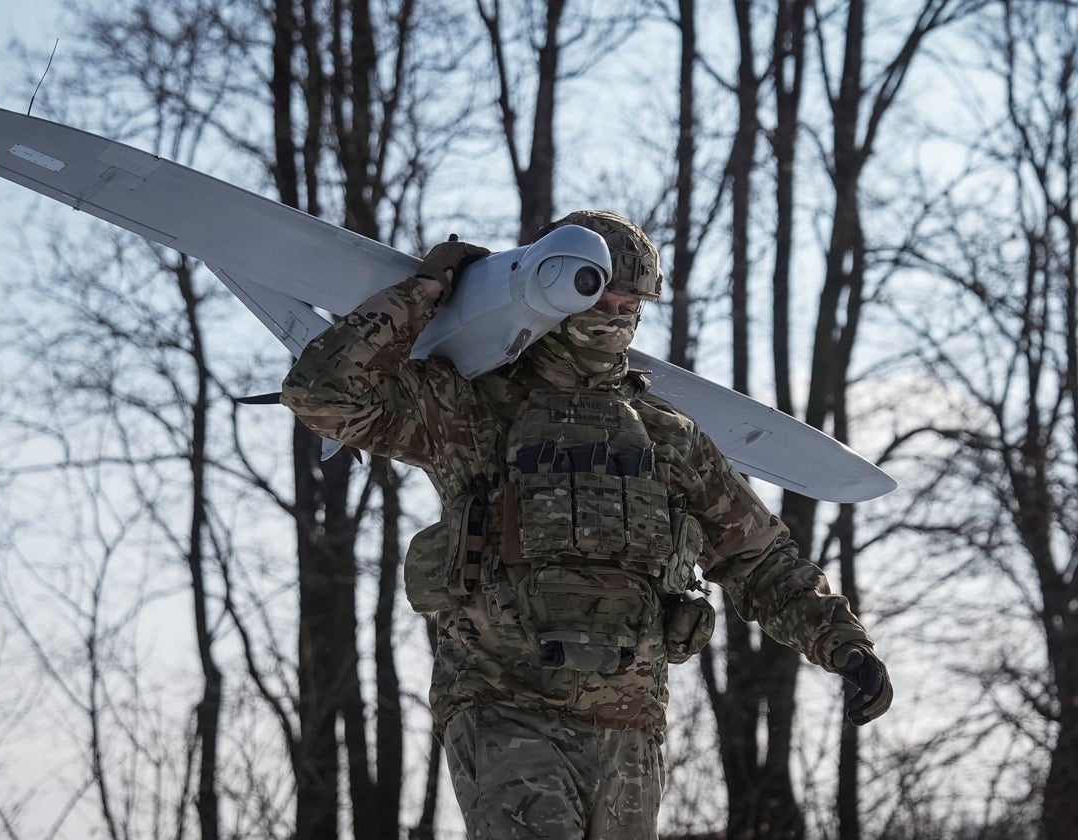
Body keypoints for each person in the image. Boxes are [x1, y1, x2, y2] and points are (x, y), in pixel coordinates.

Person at [281, 210, 893, 839]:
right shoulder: (469, 406)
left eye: (634, 301)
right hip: (505, 708)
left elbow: (760, 559)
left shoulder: (668, 436)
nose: (619, 313)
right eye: (604, 293)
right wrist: (425, 294)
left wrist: (844, 645)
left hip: (630, 727)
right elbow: (323, 396)